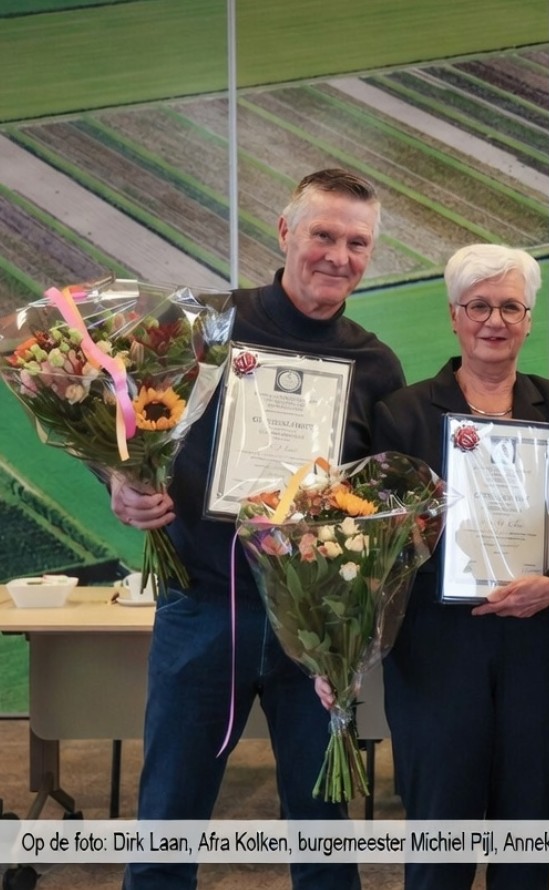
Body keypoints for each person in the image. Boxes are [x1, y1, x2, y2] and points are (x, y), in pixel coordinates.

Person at [109, 169, 403, 890]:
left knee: (323, 822)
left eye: (357, 242)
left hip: (315, 621)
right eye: (323, 235)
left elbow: (379, 504)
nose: (338, 255)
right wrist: (120, 481)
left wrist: (359, 620)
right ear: (284, 233)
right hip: (204, 608)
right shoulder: (205, 328)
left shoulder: (373, 365)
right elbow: (122, 426)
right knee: (170, 815)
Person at [371, 244, 549, 890]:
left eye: (509, 306)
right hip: (434, 655)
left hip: (536, 649)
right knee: (440, 841)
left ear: (529, 319)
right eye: (478, 306)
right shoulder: (403, 415)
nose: (493, 320)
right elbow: (377, 540)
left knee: (527, 837)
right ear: (454, 316)